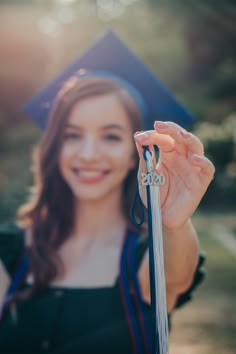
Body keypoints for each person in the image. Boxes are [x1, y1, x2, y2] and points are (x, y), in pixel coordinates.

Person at [0, 31, 214, 354]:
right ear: (56, 146)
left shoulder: (148, 255)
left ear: (134, 155)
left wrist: (169, 222)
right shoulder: (12, 251)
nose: (88, 154)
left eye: (111, 137)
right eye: (72, 135)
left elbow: (174, 276)